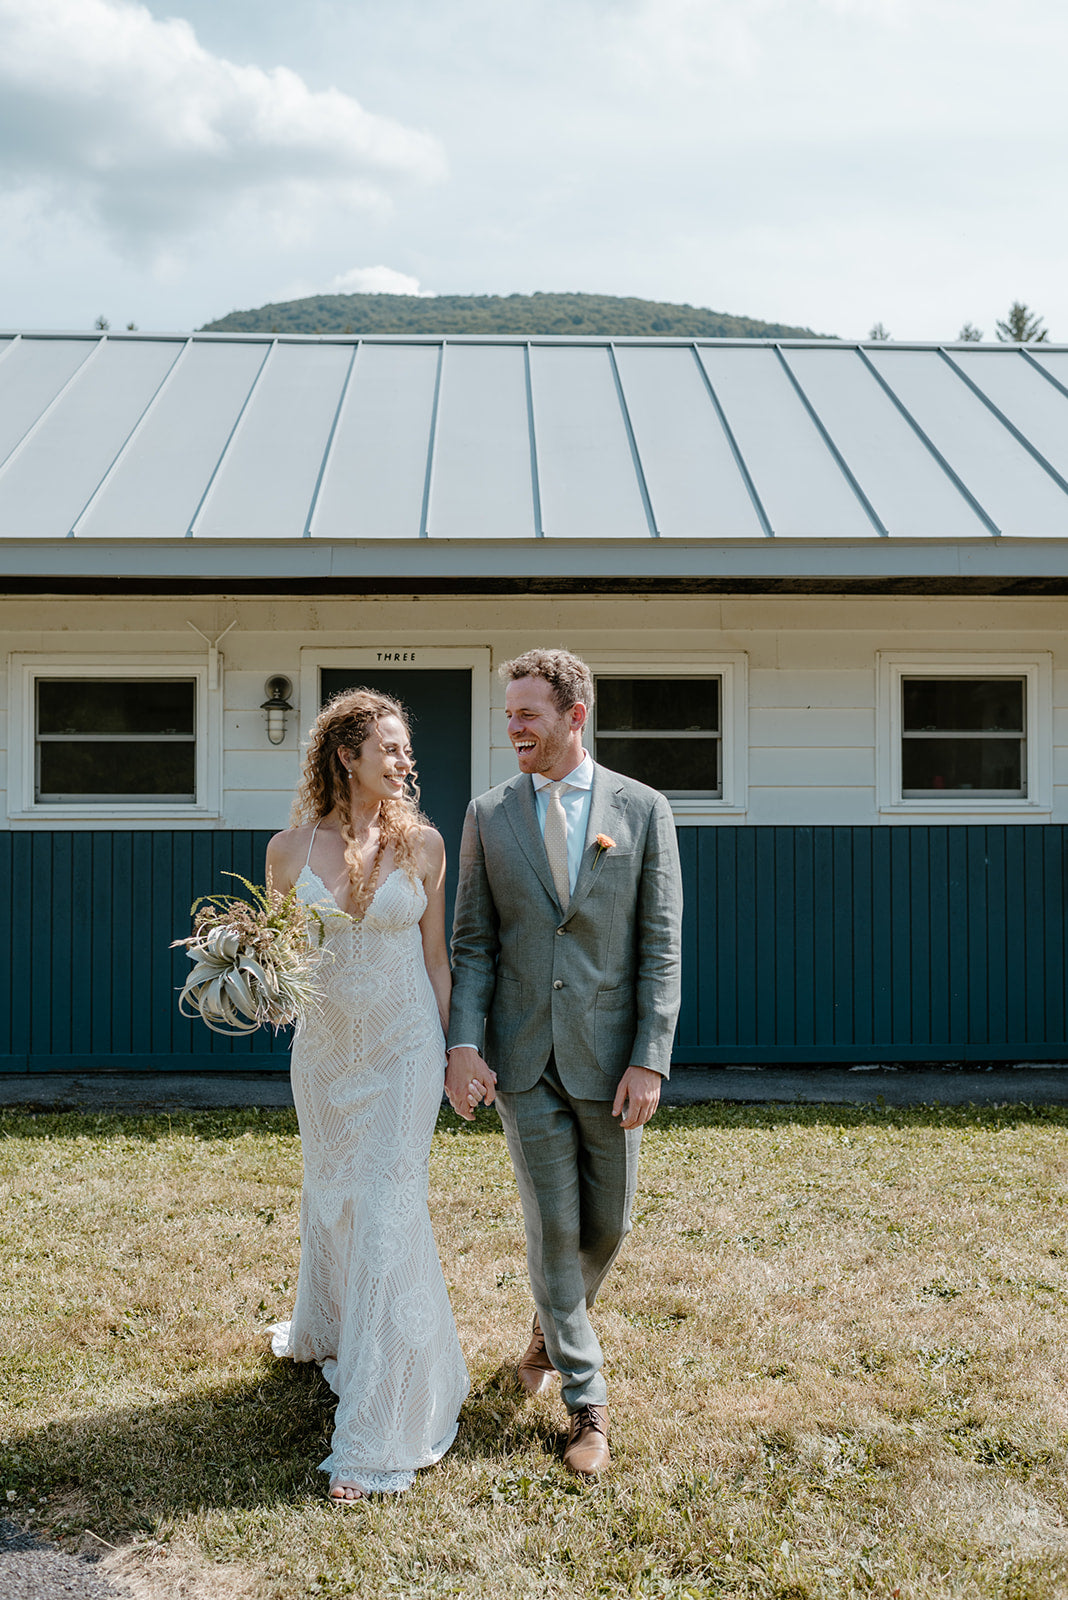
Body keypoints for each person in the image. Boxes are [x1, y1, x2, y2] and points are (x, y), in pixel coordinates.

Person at [445, 649, 682, 1479]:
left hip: (612, 1058)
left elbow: (660, 946)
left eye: (527, 714)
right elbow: (473, 941)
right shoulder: (488, 814)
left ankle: (550, 1326)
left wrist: (650, 1058)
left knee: (608, 1225)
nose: (512, 727)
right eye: (508, 713)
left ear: (574, 717)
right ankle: (588, 1406)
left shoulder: (643, 810)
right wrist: (464, 1044)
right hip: (522, 1058)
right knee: (553, 1229)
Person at [265, 687, 469, 1502]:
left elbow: (438, 960)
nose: (403, 759)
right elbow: (278, 964)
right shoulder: (287, 852)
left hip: (405, 1048)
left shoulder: (424, 846)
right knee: (336, 1197)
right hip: (322, 1057)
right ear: (346, 756)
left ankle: (379, 1431)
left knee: (387, 1206)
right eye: (388, 746)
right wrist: (247, 980)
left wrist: (456, 1052)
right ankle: (336, 1328)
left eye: (405, 746)